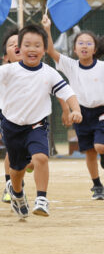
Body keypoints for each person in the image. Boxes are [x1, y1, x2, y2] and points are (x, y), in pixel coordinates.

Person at [0, 24, 82, 219]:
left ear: (44, 49)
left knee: (41, 157)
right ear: (19, 49)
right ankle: (17, 194)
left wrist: (76, 109)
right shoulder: (9, 70)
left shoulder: (49, 73)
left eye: (37, 45)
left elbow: (67, 92)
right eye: (27, 45)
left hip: (37, 125)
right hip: (11, 126)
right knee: (16, 171)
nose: (32, 49)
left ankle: (41, 198)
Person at [42, 16, 104, 199]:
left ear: (96, 48)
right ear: (75, 48)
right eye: (80, 43)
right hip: (81, 113)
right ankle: (97, 186)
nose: (84, 46)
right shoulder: (70, 66)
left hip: (101, 111)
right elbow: (50, 50)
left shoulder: (101, 67)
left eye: (89, 43)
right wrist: (47, 28)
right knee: (90, 152)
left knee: (100, 146)